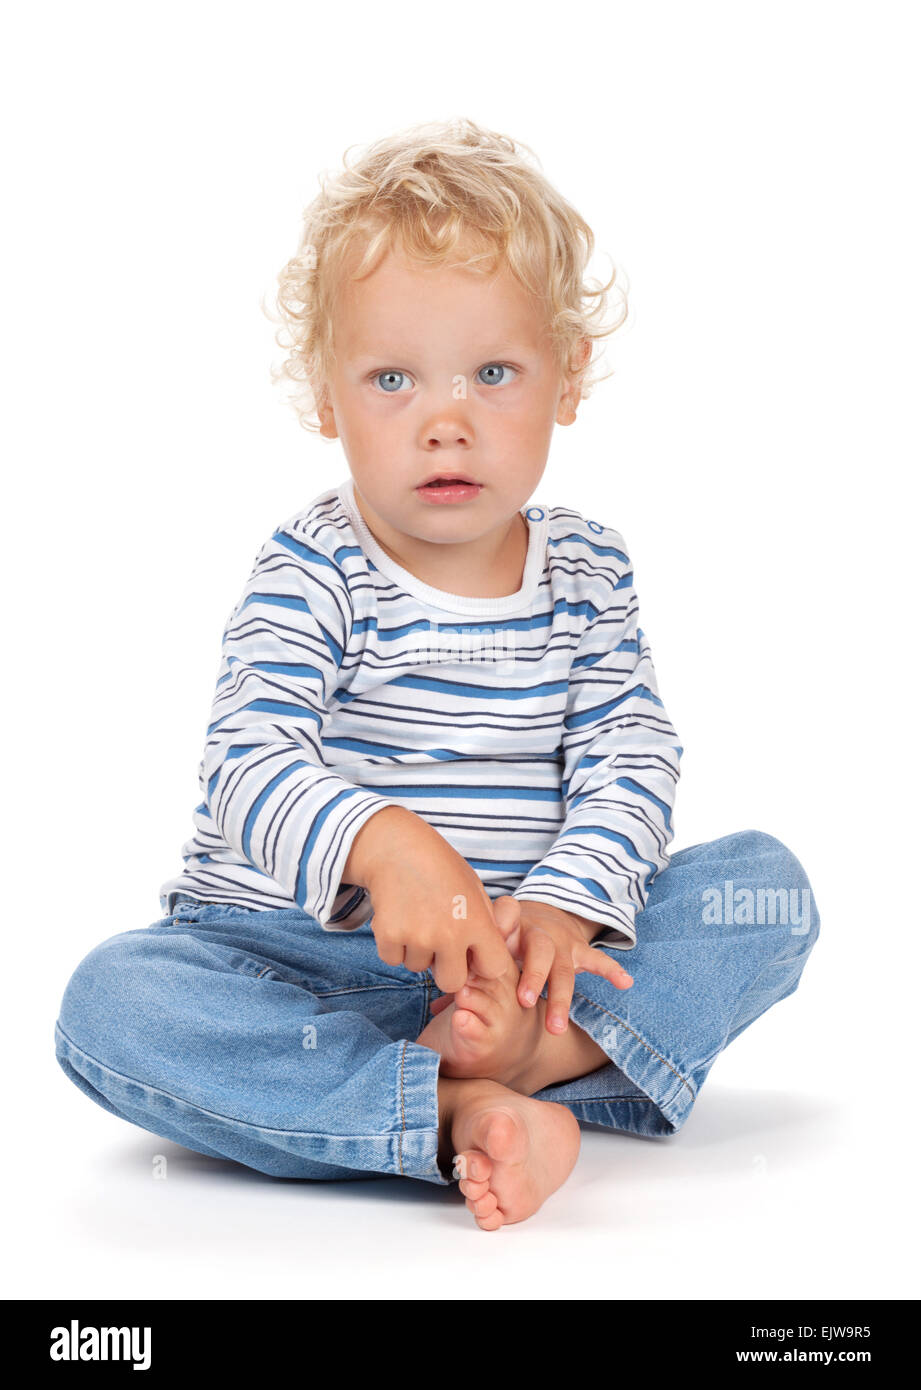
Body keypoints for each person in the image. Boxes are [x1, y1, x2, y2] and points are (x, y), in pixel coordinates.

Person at [54, 117, 820, 1231]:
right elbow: (247, 760)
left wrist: (565, 909)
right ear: (328, 397)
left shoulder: (590, 572)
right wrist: (383, 842)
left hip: (526, 963)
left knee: (771, 887)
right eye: (393, 379)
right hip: (299, 963)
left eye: (494, 373)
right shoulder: (310, 567)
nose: (446, 423)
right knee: (110, 1003)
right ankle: (457, 1110)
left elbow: (630, 755)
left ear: (569, 377)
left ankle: (534, 1047)